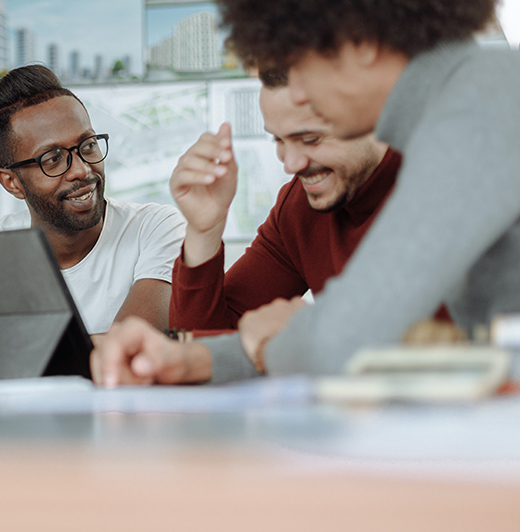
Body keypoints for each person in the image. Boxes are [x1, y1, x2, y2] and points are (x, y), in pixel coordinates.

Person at [91, 0, 520, 387]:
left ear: (359, 43)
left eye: (301, 67)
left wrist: (284, 336)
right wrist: (186, 360)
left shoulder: (485, 103)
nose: (298, 93)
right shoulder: (468, 100)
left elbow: (348, 336)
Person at [169, 68, 399, 337]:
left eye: (310, 139)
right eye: (278, 139)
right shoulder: (300, 207)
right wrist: (203, 232)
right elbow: (199, 348)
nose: (291, 165)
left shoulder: (444, 184)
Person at [0, 65, 186, 335]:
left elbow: (129, 347)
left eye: (88, 145)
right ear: (12, 183)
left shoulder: (155, 228)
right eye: (52, 159)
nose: (82, 170)